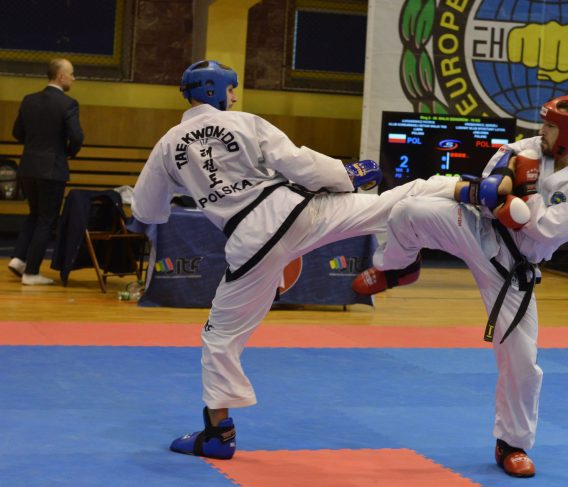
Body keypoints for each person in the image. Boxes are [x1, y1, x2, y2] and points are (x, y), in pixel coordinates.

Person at [130, 60, 456, 460]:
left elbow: (146, 211)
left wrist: (192, 187)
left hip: (251, 241)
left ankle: (218, 434)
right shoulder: (244, 122)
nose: (235, 97)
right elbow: (298, 162)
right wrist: (346, 175)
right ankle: (467, 191)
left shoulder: (168, 145)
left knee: (220, 338)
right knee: (386, 205)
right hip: (296, 212)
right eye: (230, 90)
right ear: (214, 90)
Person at [352, 95, 568, 478]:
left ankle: (512, 444)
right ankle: (397, 267)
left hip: (513, 267)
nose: (542, 131)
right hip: (477, 228)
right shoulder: (524, 148)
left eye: (551, 126)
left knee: (521, 360)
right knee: (409, 209)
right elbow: (490, 193)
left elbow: (547, 229)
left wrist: (522, 199)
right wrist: (502, 194)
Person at [8, 58, 83, 285]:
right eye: (71, 73)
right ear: (61, 76)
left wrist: (34, 145)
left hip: (28, 167)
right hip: (52, 169)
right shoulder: (68, 104)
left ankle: (19, 259)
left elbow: (17, 132)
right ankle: (31, 273)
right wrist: (67, 152)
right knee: (47, 220)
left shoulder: (29, 100)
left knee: (34, 214)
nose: (73, 78)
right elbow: (77, 137)